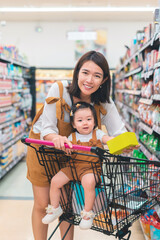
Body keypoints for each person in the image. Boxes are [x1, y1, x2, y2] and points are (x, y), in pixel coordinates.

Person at [26, 50, 138, 240]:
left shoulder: (104, 103)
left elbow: (119, 133)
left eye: (97, 75)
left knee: (68, 208)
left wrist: (124, 143)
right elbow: (47, 128)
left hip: (75, 157)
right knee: (42, 203)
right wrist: (56, 138)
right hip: (43, 150)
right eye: (85, 72)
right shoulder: (59, 90)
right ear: (77, 72)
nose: (89, 80)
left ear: (103, 80)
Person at [42, 102, 114, 229]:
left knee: (88, 183)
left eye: (89, 119)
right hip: (73, 167)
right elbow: (65, 147)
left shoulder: (97, 134)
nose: (85, 123)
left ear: (95, 121)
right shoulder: (71, 136)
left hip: (91, 169)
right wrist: (66, 149)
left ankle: (87, 214)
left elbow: (108, 140)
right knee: (55, 181)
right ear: (74, 124)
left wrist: (118, 141)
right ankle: (55, 208)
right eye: (80, 120)